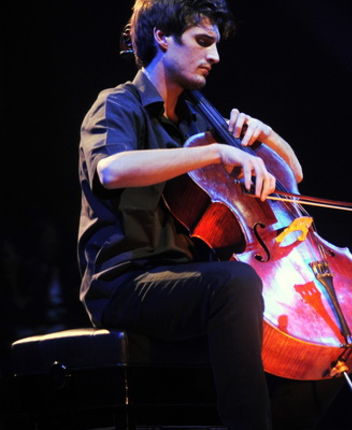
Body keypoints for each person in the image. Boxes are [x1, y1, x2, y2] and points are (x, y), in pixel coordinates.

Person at [77, 1, 337, 429]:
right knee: (236, 283)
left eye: (216, 45)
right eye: (202, 42)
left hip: (195, 285)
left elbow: (294, 175)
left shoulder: (198, 118)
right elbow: (112, 169)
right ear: (162, 37)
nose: (215, 56)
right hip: (126, 284)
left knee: (318, 334)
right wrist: (214, 151)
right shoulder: (117, 105)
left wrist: (265, 136)